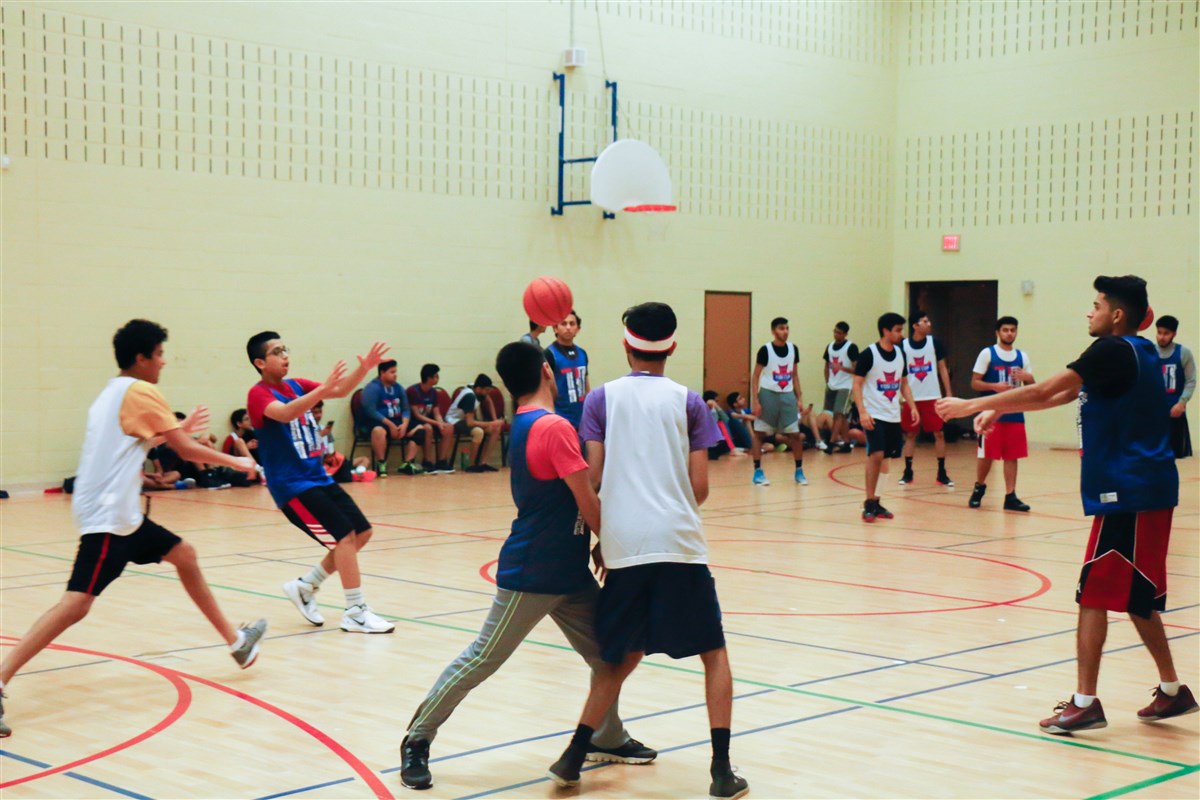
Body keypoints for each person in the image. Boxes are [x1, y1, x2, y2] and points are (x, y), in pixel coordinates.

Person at [937, 275, 1197, 734]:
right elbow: (1061, 394)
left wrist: (967, 406)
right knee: (1137, 598)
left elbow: (1044, 390)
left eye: (1096, 305)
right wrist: (998, 409)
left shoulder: (1112, 349)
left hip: (1130, 493)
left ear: (1117, 315)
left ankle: (1085, 703)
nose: (1089, 312)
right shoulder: (1135, 352)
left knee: (1092, 592)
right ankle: (1173, 691)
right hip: (1145, 490)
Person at [398, 341, 655, 791]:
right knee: (483, 658)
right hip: (533, 572)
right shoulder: (551, 426)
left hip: (568, 569)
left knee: (611, 652)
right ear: (547, 371)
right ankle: (417, 738)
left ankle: (607, 735)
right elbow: (587, 499)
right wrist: (617, 549)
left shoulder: (528, 421)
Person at [0, 320, 267, 738]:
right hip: (109, 518)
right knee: (76, 604)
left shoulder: (112, 393)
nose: (163, 362)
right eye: (159, 354)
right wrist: (239, 462)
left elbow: (139, 439)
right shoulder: (141, 391)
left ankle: (237, 643)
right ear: (141, 358)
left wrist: (179, 431)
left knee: (185, 555)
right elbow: (185, 449)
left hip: (122, 517)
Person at [547, 302, 748, 800]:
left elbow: (593, 478)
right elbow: (700, 487)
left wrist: (607, 533)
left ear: (626, 344)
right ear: (672, 347)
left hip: (625, 544)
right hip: (679, 543)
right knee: (713, 653)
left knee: (620, 655)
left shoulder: (600, 398)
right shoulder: (690, 402)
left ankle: (573, 756)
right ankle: (722, 771)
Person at [245, 331, 395, 634]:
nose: (285, 355)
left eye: (285, 349)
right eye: (276, 352)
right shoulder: (258, 394)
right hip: (293, 486)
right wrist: (321, 390)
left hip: (318, 477)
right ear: (260, 362)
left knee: (362, 533)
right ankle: (355, 611)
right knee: (344, 538)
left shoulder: (295, 385)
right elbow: (285, 413)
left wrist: (363, 368)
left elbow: (340, 389)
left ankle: (305, 586)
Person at [852, 312, 919, 523]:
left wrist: (912, 407)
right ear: (885, 331)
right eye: (897, 330)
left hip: (893, 415)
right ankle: (868, 502)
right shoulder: (869, 354)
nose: (901, 334)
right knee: (876, 455)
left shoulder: (900, 354)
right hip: (874, 414)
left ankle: (877, 500)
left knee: (887, 459)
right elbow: (856, 384)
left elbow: (904, 384)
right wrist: (862, 412)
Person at [969, 317, 1034, 511]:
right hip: (990, 413)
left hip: (1014, 413)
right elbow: (974, 383)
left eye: (1013, 330)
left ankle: (1010, 495)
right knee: (986, 455)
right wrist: (994, 386)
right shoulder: (987, 353)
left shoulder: (1022, 357)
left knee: (1012, 455)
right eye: (1005, 330)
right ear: (998, 332)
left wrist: (1029, 378)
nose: (1009, 333)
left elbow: (1033, 389)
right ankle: (979, 487)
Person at [750, 316, 807, 486]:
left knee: (795, 434)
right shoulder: (765, 350)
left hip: (787, 394)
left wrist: (799, 398)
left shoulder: (793, 349)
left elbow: (795, 375)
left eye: (787, 328)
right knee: (760, 433)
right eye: (781, 328)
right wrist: (756, 401)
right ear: (773, 331)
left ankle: (799, 470)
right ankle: (757, 471)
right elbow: (756, 376)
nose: (785, 331)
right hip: (768, 394)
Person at [899, 311, 954, 486]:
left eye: (928, 320)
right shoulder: (903, 346)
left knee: (939, 433)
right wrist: (900, 395)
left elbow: (943, 368)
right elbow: (899, 372)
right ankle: (907, 471)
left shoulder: (934, 342)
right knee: (910, 434)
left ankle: (942, 472)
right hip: (912, 398)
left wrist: (948, 392)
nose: (929, 323)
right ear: (915, 326)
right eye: (925, 321)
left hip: (932, 396)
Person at [359, 359, 427, 477]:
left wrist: (404, 424)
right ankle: (381, 463)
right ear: (382, 373)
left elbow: (406, 409)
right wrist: (390, 425)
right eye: (392, 372)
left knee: (420, 429)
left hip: (397, 420)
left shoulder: (398, 388)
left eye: (395, 372)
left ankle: (407, 463)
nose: (395, 375)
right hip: (378, 421)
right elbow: (370, 411)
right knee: (378, 431)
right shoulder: (372, 388)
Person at [444, 374, 504, 472]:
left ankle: (483, 462)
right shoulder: (470, 397)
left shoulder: (476, 388)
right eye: (487, 390)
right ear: (479, 389)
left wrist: (495, 419)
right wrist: (492, 422)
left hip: (465, 420)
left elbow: (489, 401)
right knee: (478, 432)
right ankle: (471, 465)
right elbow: (470, 423)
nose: (488, 393)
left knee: (496, 429)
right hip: (454, 420)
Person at [1155, 315, 1194, 459]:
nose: (1161, 337)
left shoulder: (1184, 353)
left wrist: (1182, 403)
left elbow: (1190, 381)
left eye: (1166, 333)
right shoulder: (1150, 352)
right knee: (1154, 456)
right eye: (1159, 332)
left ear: (1174, 334)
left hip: (1175, 413)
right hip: (1154, 413)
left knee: (1176, 457)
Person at [407, 363, 457, 474]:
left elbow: (436, 412)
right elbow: (417, 415)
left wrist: (441, 423)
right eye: (436, 376)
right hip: (414, 422)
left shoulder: (433, 392)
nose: (438, 378)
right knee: (428, 428)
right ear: (429, 378)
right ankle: (427, 461)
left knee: (448, 428)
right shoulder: (413, 391)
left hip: (429, 420)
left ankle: (441, 461)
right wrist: (436, 423)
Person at [543, 310, 589, 429]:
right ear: (555, 328)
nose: (568, 327)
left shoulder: (582, 353)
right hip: (559, 420)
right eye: (563, 324)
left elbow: (586, 386)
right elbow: (544, 389)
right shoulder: (549, 354)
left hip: (581, 420)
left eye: (572, 324)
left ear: (578, 329)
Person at [822, 321, 858, 453]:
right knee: (839, 416)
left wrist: (842, 368)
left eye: (839, 333)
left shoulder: (851, 347)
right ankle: (847, 443)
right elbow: (827, 365)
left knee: (838, 414)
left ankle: (831, 443)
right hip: (832, 385)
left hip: (845, 385)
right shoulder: (830, 346)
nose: (836, 334)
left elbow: (857, 369)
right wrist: (828, 381)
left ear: (845, 334)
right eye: (835, 331)